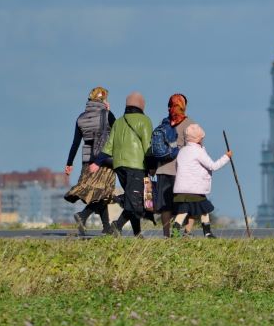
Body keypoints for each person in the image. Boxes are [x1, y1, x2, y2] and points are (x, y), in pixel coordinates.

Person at [96, 92, 153, 237]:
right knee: (135, 200)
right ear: (142, 104)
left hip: (119, 165)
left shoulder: (119, 122)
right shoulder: (144, 121)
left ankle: (137, 233)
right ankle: (118, 224)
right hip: (136, 165)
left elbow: (109, 146)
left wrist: (97, 161)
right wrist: (152, 165)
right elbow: (147, 146)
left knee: (131, 197)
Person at [64, 86, 116, 236]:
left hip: (87, 159)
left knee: (98, 193)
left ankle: (107, 227)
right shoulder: (107, 114)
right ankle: (83, 215)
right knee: (103, 191)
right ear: (103, 99)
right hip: (104, 159)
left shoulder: (81, 117)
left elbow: (75, 142)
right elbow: (118, 131)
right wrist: (108, 111)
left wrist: (69, 163)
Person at [171, 124, 231, 238]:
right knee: (204, 209)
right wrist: (226, 157)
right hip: (194, 189)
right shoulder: (198, 152)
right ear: (198, 138)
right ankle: (207, 233)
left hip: (181, 188)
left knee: (184, 211)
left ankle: (175, 233)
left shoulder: (182, 151)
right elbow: (213, 166)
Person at [154, 94, 196, 237]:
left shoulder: (164, 123)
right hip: (180, 172)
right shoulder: (190, 124)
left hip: (162, 169)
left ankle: (166, 235)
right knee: (184, 204)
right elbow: (195, 148)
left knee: (165, 206)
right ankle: (183, 233)